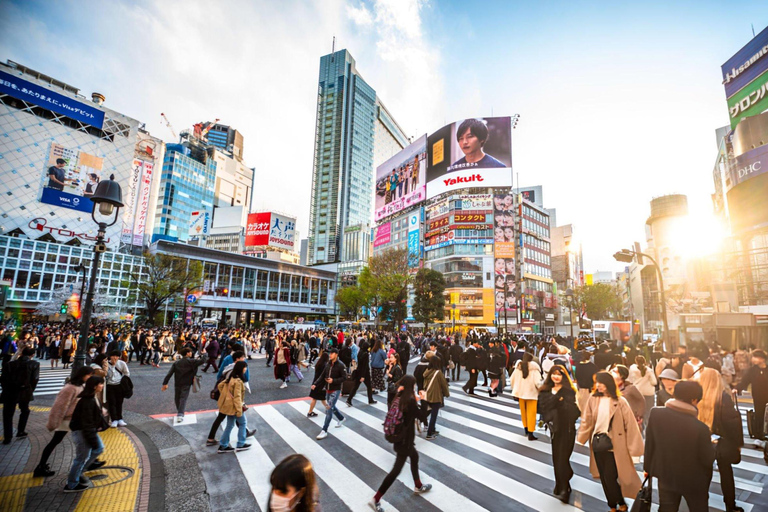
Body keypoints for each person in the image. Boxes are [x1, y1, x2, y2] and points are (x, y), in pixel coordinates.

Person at [644, 380, 716, 512]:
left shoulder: (656, 414)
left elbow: (650, 443)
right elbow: (707, 458)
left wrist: (648, 468)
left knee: (667, 507)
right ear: (694, 400)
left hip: (665, 474)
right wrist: (713, 446)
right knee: (698, 508)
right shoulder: (701, 428)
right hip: (693, 480)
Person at [577, 371, 643, 512]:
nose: (599, 386)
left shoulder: (620, 401)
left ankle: (621, 504)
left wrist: (634, 447)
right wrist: (581, 437)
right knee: (604, 478)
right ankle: (613, 506)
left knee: (611, 476)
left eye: (601, 382)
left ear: (609, 384)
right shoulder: (593, 399)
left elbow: (630, 424)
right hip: (598, 442)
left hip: (615, 444)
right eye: (597, 383)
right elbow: (587, 420)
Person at [369, 375, 432, 511]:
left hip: (400, 438)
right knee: (395, 471)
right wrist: (425, 399)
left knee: (414, 457)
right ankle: (376, 498)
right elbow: (422, 416)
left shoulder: (399, 397)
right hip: (405, 441)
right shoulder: (409, 401)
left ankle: (418, 485)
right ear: (412, 386)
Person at [35, 367, 97, 478]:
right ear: (82, 375)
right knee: (56, 441)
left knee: (84, 439)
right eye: (89, 375)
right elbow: (60, 406)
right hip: (68, 420)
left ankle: (92, 461)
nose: (90, 377)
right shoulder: (70, 388)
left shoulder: (81, 386)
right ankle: (40, 466)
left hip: (75, 419)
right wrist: (54, 422)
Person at [698, 368, 743, 512]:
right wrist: (737, 444)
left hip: (702, 441)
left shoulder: (696, 397)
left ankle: (700, 505)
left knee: (704, 475)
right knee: (726, 473)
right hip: (722, 442)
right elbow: (732, 423)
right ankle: (730, 505)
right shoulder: (723, 397)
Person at [538, 364, 580, 503]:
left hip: (567, 429)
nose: (556, 376)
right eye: (553, 374)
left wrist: (559, 404)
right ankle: (561, 485)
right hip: (555, 429)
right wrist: (557, 400)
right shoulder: (545, 391)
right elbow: (542, 408)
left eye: (559, 374)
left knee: (563, 458)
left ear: (564, 376)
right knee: (557, 458)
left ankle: (564, 487)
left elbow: (574, 412)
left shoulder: (569, 391)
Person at [64, 376, 106, 492]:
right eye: (100, 384)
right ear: (94, 386)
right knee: (81, 458)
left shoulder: (91, 397)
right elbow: (86, 422)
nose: (102, 386)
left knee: (99, 449)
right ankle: (71, 484)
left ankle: (79, 473)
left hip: (87, 430)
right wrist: (92, 440)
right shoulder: (87, 400)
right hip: (83, 431)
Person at [2, 347, 40, 443]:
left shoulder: (9, 364)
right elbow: (35, 379)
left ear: (22, 353)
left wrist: (6, 389)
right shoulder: (34, 364)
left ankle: (7, 437)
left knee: (8, 414)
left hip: (9, 391)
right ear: (32, 355)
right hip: (24, 391)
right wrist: (30, 389)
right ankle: (21, 431)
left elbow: (3, 379)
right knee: (25, 410)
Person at [162, 347, 206, 422]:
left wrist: (165, 383)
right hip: (187, 382)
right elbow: (203, 361)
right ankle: (180, 414)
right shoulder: (192, 361)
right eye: (190, 352)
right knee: (183, 398)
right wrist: (205, 354)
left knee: (177, 398)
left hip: (178, 382)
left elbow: (169, 373)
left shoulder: (177, 363)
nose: (191, 353)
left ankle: (179, 411)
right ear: (187, 353)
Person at [733, 349, 768, 444]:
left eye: (755, 357)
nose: (753, 359)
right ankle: (759, 435)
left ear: (762, 358)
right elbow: (745, 381)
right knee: (759, 414)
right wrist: (737, 388)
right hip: (758, 396)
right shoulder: (752, 370)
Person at [216, 361, 251, 453]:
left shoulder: (231, 377)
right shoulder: (238, 381)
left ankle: (223, 445)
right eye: (245, 367)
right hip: (235, 406)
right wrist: (239, 410)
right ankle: (241, 444)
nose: (246, 369)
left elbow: (220, 385)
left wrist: (226, 396)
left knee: (230, 425)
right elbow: (237, 397)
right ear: (241, 368)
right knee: (243, 423)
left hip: (228, 406)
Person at [314, 348, 347, 440]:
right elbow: (322, 375)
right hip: (328, 389)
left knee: (329, 409)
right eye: (330, 353)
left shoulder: (341, 365)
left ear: (336, 354)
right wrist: (315, 384)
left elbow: (344, 377)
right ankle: (341, 418)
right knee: (332, 407)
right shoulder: (328, 364)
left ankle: (324, 430)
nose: (330, 355)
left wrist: (334, 381)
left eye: (332, 353)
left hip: (335, 390)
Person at [510, 351, 543, 440]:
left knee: (523, 413)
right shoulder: (534, 369)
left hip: (521, 394)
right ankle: (531, 433)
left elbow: (512, 380)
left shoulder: (518, 368)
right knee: (531, 414)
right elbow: (538, 383)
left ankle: (526, 429)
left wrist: (515, 389)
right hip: (531, 394)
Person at [422, 354, 450, 440]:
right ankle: (429, 433)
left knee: (429, 411)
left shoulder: (427, 371)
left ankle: (432, 429)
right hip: (436, 396)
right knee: (434, 415)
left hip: (428, 395)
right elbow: (444, 385)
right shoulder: (438, 372)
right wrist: (447, 394)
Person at [628, 355, 657, 430]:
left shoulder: (632, 369)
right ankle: (648, 432)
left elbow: (630, 380)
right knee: (648, 414)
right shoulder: (649, 370)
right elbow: (654, 382)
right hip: (648, 393)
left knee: (639, 414)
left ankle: (640, 432)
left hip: (637, 392)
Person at [346, 340, 375, 407]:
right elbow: (365, 365)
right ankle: (370, 400)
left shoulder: (360, 352)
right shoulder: (366, 354)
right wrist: (363, 376)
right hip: (365, 373)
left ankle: (349, 399)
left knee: (355, 386)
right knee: (369, 386)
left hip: (359, 371)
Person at [105, 351, 130, 427]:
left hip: (119, 385)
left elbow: (127, 373)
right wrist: (112, 365)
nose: (115, 358)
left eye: (117, 356)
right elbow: (105, 374)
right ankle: (114, 419)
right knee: (112, 402)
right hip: (109, 385)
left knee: (119, 402)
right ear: (110, 356)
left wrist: (123, 381)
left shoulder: (122, 363)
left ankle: (120, 419)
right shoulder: (106, 364)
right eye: (113, 356)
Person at [306, 351, 329, 418]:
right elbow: (324, 376)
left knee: (317, 398)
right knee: (321, 398)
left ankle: (327, 408)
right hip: (321, 384)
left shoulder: (318, 363)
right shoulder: (325, 365)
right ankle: (310, 412)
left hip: (315, 382)